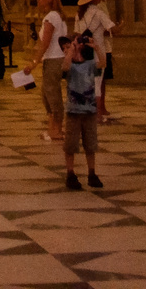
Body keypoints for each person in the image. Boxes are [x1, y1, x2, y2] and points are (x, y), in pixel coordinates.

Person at [62, 32, 106, 190]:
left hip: (89, 110)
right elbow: (65, 67)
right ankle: (70, 173)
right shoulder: (69, 64)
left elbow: (103, 63)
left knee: (90, 143)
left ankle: (92, 172)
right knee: (71, 144)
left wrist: (96, 47)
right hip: (74, 110)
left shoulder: (89, 64)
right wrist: (71, 51)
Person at [23, 0, 67, 140]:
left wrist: (33, 63)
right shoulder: (54, 16)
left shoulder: (51, 17)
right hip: (52, 59)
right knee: (47, 95)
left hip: (54, 59)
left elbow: (45, 43)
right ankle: (52, 128)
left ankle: (57, 130)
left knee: (52, 95)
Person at [88, 0, 122, 122]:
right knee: (97, 79)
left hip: (102, 46)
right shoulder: (96, 9)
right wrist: (121, 25)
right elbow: (110, 28)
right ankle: (96, 110)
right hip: (98, 48)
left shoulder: (99, 6)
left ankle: (100, 107)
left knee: (100, 78)